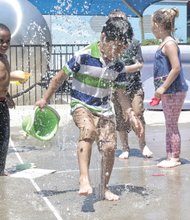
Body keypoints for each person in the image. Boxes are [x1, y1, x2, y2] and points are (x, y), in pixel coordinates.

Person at [35, 17, 143, 201]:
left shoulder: (117, 65)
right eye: (115, 46)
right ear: (103, 37)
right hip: (81, 104)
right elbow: (59, 78)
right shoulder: (83, 56)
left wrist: (131, 115)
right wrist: (45, 98)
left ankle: (104, 187)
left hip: (104, 109)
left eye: (122, 48)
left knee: (110, 147)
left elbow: (121, 95)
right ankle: (84, 177)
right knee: (88, 130)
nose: (117, 52)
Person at [109, 10, 153, 159]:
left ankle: (143, 145)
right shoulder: (110, 43)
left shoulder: (133, 42)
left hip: (134, 86)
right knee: (121, 118)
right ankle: (125, 148)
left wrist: (123, 69)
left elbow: (140, 64)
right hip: (117, 88)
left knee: (138, 113)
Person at [151, 8, 188, 168]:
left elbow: (176, 68)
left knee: (172, 124)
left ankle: (175, 158)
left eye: (152, 26)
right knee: (169, 124)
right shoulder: (164, 43)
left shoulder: (170, 44)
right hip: (168, 91)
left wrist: (162, 88)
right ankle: (170, 155)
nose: (152, 30)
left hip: (173, 91)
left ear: (157, 24)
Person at [0, 23, 27, 176]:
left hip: (2, 102)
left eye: (7, 41)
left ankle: (0, 169)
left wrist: (8, 97)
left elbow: (4, 80)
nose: (5, 44)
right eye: (1, 41)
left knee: (4, 136)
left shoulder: (5, 58)